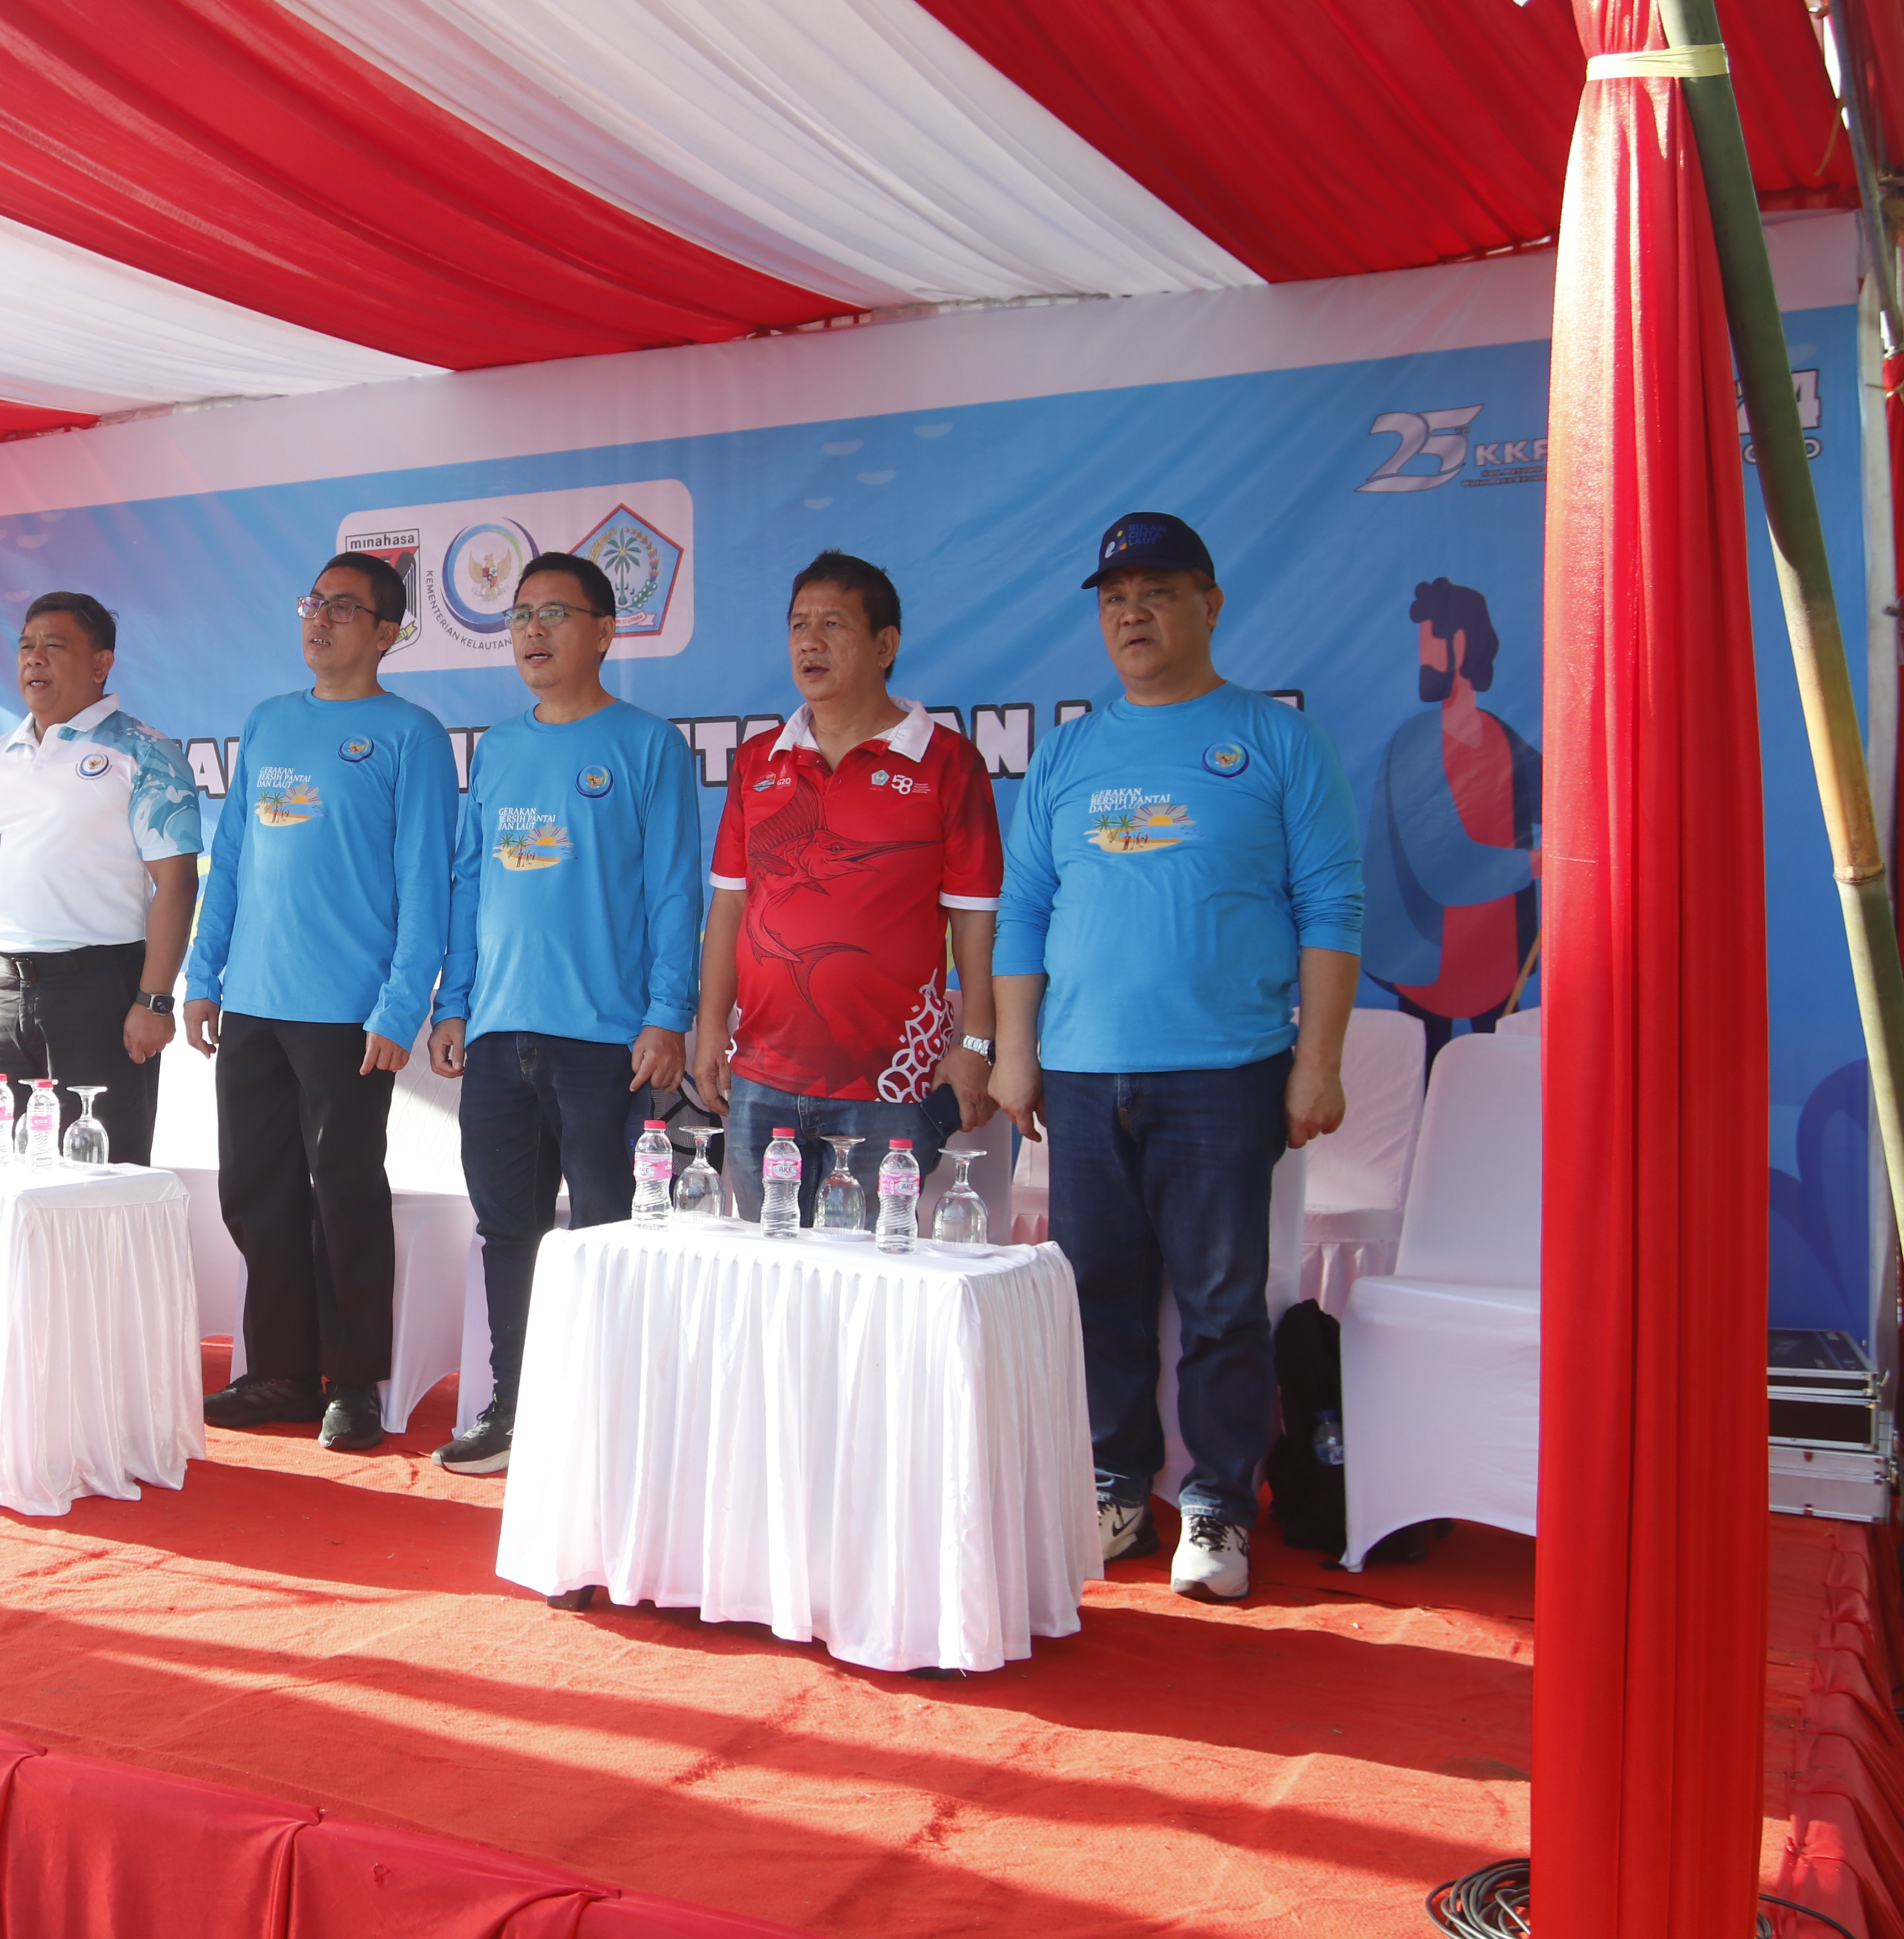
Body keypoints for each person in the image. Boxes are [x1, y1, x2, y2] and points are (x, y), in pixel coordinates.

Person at [990, 512, 1362, 1604]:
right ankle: (1115, 1483)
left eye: (1155, 593)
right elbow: (1023, 911)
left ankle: (1218, 1507)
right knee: (1098, 1294)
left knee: (1219, 1298)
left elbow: (1333, 906)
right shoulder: (1067, 751)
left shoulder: (1277, 739)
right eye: (1113, 599)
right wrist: (1017, 1052)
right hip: (1084, 1072)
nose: (1131, 615)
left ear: (1211, 603)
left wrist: (1320, 1061)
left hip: (1228, 1069)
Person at [425, 552, 701, 1475]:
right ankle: (516, 1409)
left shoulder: (648, 745)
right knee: (509, 1232)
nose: (533, 633)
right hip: (501, 1036)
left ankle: (609, 1420)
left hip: (605, 1042)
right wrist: (455, 1002)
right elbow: (470, 886)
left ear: (606, 631)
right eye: (519, 617)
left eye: (555, 614)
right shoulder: (499, 749)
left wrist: (668, 1015)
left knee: (606, 1231)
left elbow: (674, 892)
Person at [183, 553, 456, 1453]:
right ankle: (282, 1375)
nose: (321, 620)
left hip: (347, 1014)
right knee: (256, 1195)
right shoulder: (267, 722)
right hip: (254, 1005)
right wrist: (202, 976)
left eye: (345, 609)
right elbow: (232, 865)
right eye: (314, 603)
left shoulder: (408, 734)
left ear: (387, 634)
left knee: (344, 1195)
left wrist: (398, 1006)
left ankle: (355, 1383)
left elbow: (428, 885)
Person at [697, 551, 1000, 1220]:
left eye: (833, 624)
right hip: (762, 1076)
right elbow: (730, 906)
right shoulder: (759, 761)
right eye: (799, 624)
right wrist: (710, 1028)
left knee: (871, 1288)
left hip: (890, 1082)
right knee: (766, 1286)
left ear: (885, 645)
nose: (809, 640)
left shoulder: (948, 762)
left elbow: (977, 921)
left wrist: (976, 1046)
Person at [0, 593, 203, 1167]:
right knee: (0, 1171)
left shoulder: (144, 752)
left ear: (100, 663)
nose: (34, 659)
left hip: (99, 993)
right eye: (26, 646)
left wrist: (154, 1000)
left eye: (54, 646)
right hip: (0, 991)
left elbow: (178, 883)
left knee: (100, 1177)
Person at [1362, 578, 1539, 1063]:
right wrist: (1538, 862)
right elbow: (1442, 866)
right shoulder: (1415, 744)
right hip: (1428, 959)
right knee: (1424, 1086)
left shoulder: (1501, 736)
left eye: (1429, 646)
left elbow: (1559, 798)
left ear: (1461, 644)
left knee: (1503, 1081)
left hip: (1500, 957)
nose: (1423, 660)